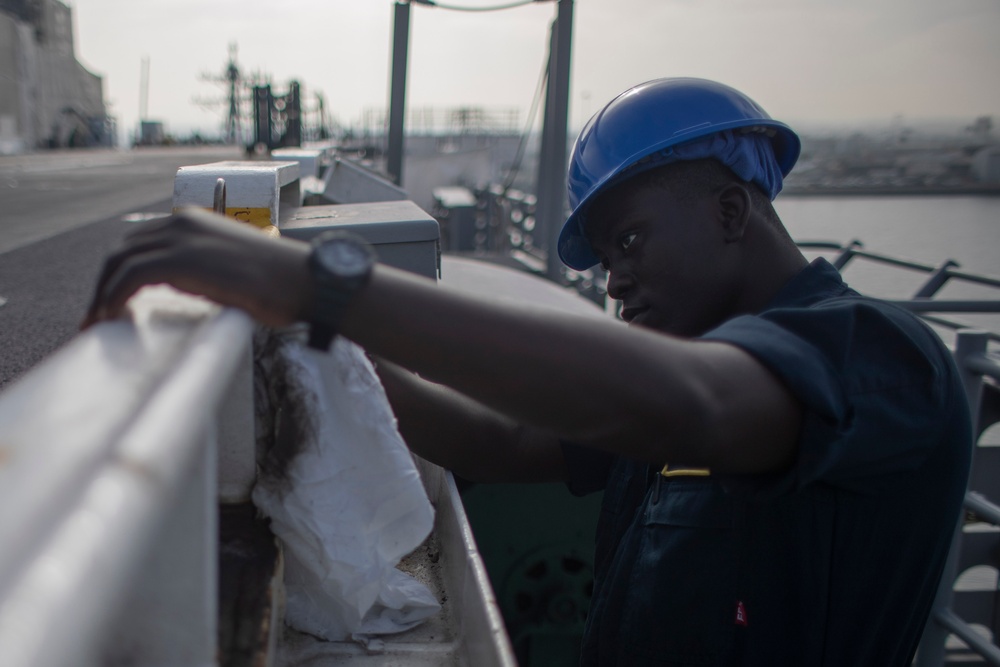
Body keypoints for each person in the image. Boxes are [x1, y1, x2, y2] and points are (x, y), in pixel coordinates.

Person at [83, 78, 971, 666]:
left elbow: (691, 404)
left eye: (629, 241)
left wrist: (323, 281)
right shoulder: (689, 370)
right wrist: (318, 339)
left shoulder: (877, 358)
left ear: (733, 210)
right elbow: (498, 437)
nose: (614, 280)